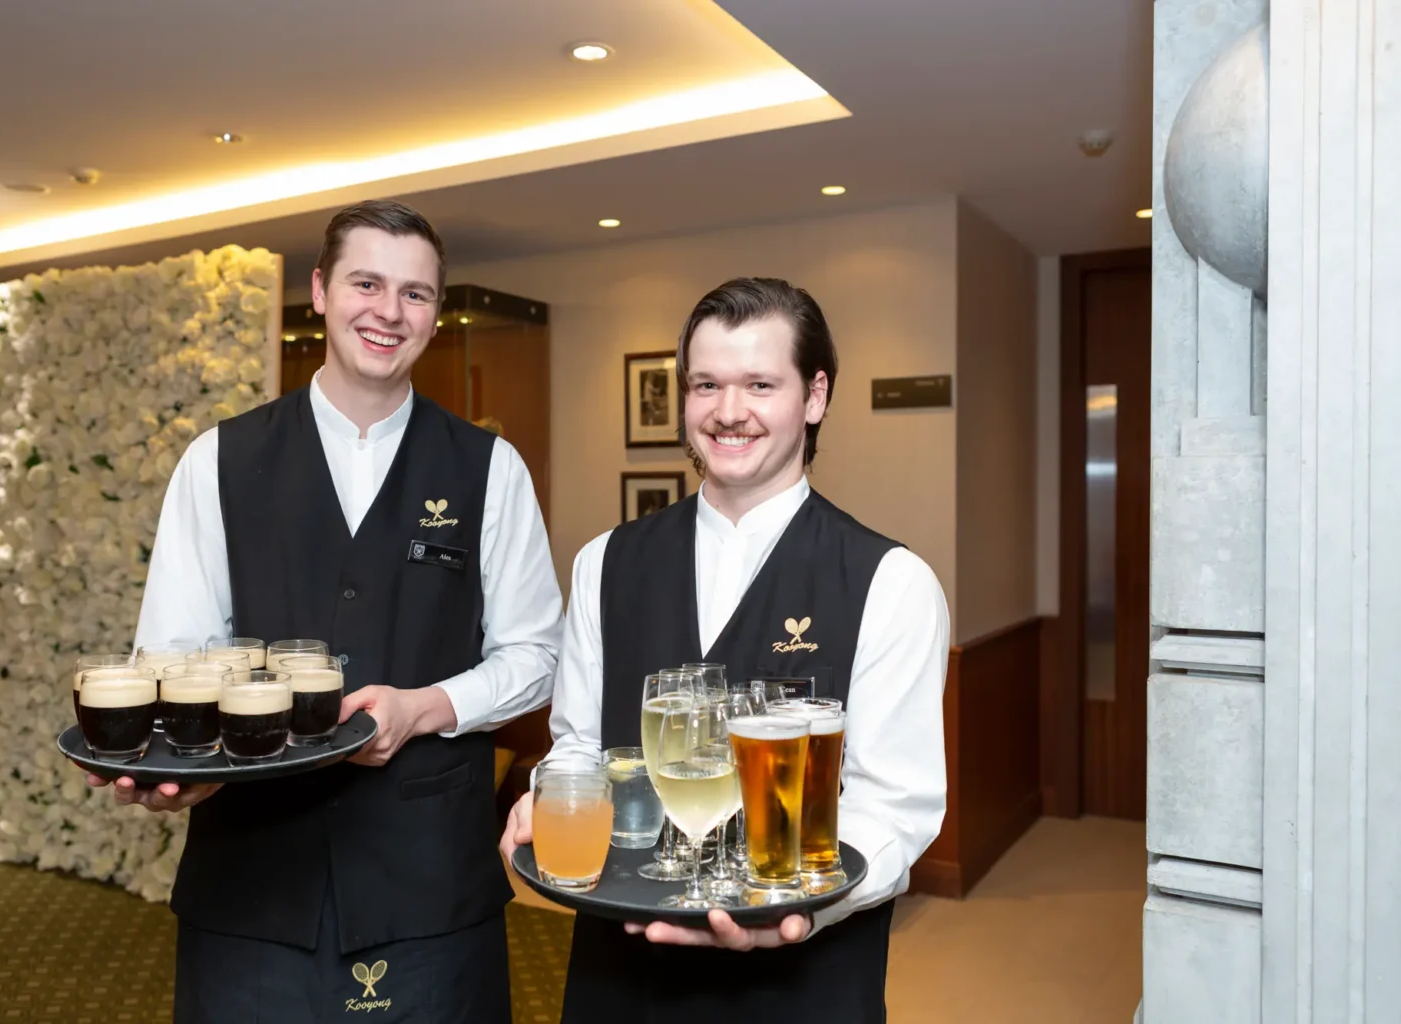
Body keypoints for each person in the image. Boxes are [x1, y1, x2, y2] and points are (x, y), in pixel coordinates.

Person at [90, 199, 563, 1023]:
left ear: (435, 312)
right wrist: (180, 774)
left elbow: (538, 656)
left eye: (415, 293)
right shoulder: (218, 462)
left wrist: (426, 708)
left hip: (429, 891)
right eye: (367, 283)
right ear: (319, 290)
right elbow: (173, 658)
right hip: (252, 889)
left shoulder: (491, 468)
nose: (389, 311)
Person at [501, 277, 949, 1022]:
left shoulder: (889, 582)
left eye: (759, 384)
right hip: (622, 973)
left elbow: (893, 807)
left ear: (814, 397)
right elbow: (579, 744)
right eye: (706, 384)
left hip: (799, 979)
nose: (728, 411)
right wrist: (551, 797)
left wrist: (788, 912)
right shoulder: (605, 562)